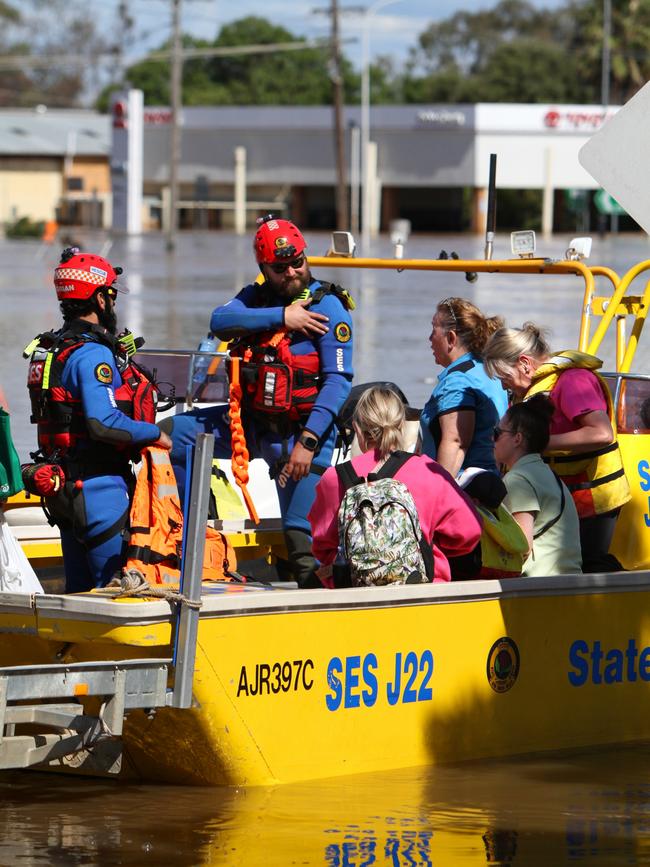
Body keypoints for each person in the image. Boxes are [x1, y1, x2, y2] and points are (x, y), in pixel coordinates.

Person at [163, 215, 354, 588]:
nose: (292, 272)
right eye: (280, 268)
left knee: (301, 543)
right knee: (172, 434)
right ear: (264, 268)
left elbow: (338, 382)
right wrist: (283, 316)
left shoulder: (328, 307)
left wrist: (309, 443)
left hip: (301, 436)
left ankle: (317, 615)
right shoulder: (256, 298)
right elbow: (220, 321)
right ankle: (190, 533)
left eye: (297, 262)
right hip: (250, 426)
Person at [24, 247, 171, 593]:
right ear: (99, 299)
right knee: (116, 590)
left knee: (78, 589)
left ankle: (72, 647)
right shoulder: (92, 353)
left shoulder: (53, 348)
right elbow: (102, 422)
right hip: (100, 489)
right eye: (111, 296)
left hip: (65, 490)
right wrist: (154, 433)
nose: (113, 304)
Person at [483, 322, 631, 573]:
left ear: (524, 363)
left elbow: (602, 433)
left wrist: (538, 443)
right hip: (559, 494)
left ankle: (624, 599)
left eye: (504, 377)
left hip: (593, 494)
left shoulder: (573, 381)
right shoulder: (529, 390)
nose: (503, 386)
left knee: (590, 563)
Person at [309, 386, 482, 585]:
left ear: (356, 428)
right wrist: (423, 544)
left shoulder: (333, 479)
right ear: (401, 425)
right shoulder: (428, 470)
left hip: (355, 597)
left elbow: (322, 546)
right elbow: (470, 532)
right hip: (424, 594)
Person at [494, 395, 582, 577]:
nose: (492, 439)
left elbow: (522, 546)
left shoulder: (518, 479)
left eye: (497, 433)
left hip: (539, 587)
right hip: (569, 582)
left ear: (517, 439)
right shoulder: (549, 475)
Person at [420, 297, 507, 477]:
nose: (429, 338)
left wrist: (439, 495)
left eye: (433, 330)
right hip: (491, 480)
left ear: (451, 338)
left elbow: (456, 442)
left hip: (465, 487)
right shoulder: (488, 371)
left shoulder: (458, 381)